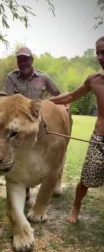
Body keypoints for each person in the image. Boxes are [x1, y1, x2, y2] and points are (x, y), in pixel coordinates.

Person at [50, 36, 104, 223]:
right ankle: (76, 206)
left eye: (103, 52)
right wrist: (47, 102)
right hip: (99, 139)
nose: (100, 56)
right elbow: (72, 96)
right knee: (86, 178)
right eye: (97, 52)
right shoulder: (94, 80)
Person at [4, 47, 62, 201]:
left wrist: (63, 106)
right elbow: (8, 102)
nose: (23, 63)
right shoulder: (11, 78)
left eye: (25, 59)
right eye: (20, 60)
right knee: (21, 156)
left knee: (42, 156)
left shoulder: (43, 77)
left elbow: (58, 94)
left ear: (32, 60)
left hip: (39, 124)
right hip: (18, 126)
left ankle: (53, 180)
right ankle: (24, 188)